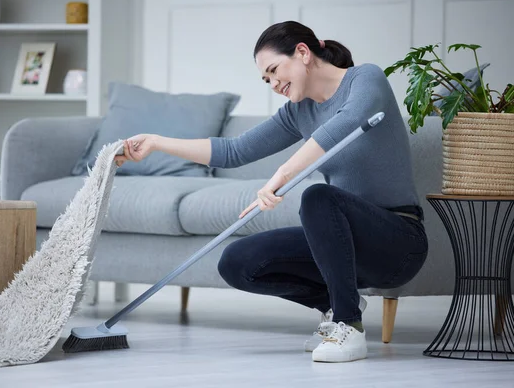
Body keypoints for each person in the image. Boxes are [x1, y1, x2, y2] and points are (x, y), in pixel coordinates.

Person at [114, 20, 428, 363]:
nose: (274, 83)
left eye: (275, 70)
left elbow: (347, 122)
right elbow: (233, 151)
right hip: (345, 245)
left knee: (317, 197)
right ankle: (336, 305)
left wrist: (282, 173)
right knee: (237, 262)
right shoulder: (299, 112)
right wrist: (158, 143)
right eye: (267, 79)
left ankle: (348, 326)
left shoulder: (365, 78)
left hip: (397, 244)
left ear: (303, 53)